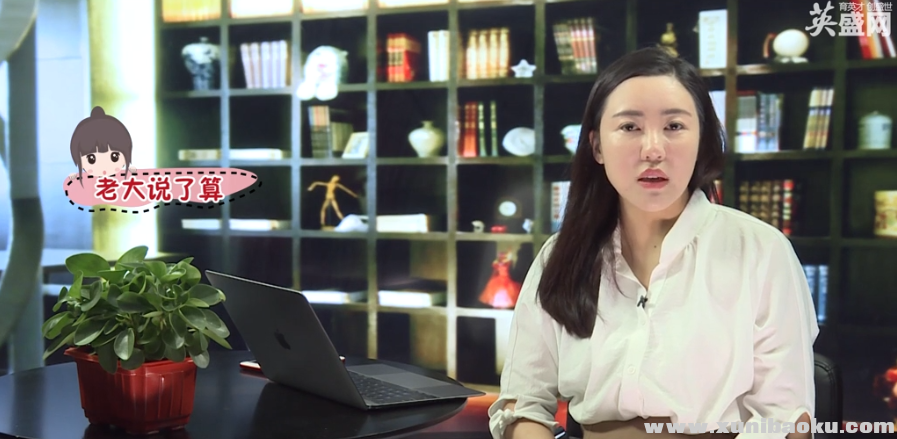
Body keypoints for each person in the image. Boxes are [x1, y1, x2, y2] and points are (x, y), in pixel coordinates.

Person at [487, 46, 818, 439]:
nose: (653, 150)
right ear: (597, 146)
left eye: (674, 126)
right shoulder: (561, 256)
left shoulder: (760, 251)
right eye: (630, 127)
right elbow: (521, 402)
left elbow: (785, 420)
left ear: (702, 141)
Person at [69, 106, 135, 185]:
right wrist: (74, 180)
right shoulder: (86, 182)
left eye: (114, 157)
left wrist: (133, 174)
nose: (104, 168)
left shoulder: (122, 178)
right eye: (91, 159)